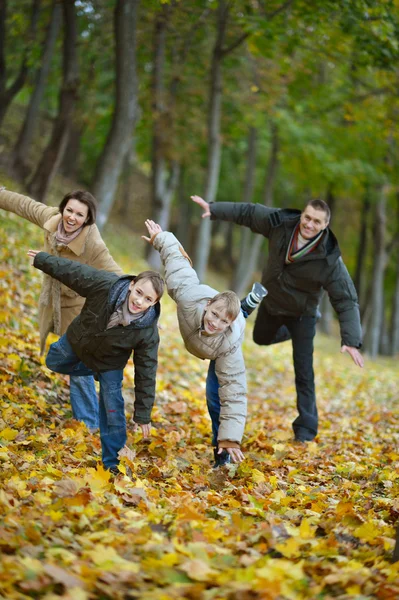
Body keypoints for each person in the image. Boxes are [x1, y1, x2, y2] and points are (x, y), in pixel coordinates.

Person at [191, 195, 364, 443]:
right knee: (260, 338)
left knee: (304, 371)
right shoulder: (280, 223)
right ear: (301, 215)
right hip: (272, 304)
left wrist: (351, 338)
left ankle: (305, 430)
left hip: (302, 315)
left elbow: (346, 299)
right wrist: (215, 209)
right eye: (307, 217)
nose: (309, 224)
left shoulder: (329, 259)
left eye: (317, 221)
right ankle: (298, 331)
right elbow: (250, 213)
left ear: (325, 225)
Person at [27, 249, 164, 472]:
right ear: (131, 284)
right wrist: (43, 260)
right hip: (78, 341)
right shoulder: (106, 285)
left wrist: (142, 414)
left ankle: (113, 462)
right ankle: (92, 372)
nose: (139, 301)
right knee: (53, 361)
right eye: (138, 292)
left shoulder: (147, 332)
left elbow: (146, 371)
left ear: (154, 303)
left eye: (148, 299)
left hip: (110, 364)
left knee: (112, 408)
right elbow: (75, 273)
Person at [0, 187, 123, 432]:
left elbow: (118, 276)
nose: (72, 217)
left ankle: (89, 425)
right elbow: (24, 204)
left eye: (79, 215)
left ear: (87, 219)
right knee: (72, 362)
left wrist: (141, 301)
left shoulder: (93, 244)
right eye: (69, 210)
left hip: (80, 309)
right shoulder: (52, 220)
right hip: (56, 301)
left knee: (78, 365)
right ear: (62, 209)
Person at [142, 219, 263, 467]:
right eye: (214, 314)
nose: (215, 322)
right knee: (231, 312)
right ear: (207, 304)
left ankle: (222, 457)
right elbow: (177, 265)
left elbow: (235, 393)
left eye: (222, 321)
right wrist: (160, 239)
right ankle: (245, 305)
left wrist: (230, 438)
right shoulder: (189, 297)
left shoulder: (229, 342)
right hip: (210, 328)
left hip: (219, 347)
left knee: (215, 397)